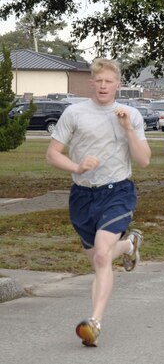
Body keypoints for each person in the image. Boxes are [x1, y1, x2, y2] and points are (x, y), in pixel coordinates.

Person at [46, 58, 151, 347]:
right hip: (82, 195)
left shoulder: (129, 114)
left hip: (117, 192)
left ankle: (94, 322)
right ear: (92, 83)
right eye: (99, 81)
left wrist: (128, 129)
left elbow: (143, 160)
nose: (104, 86)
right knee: (99, 260)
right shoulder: (74, 113)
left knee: (103, 257)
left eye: (109, 81)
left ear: (118, 85)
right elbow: (52, 154)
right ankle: (130, 245)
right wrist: (77, 167)